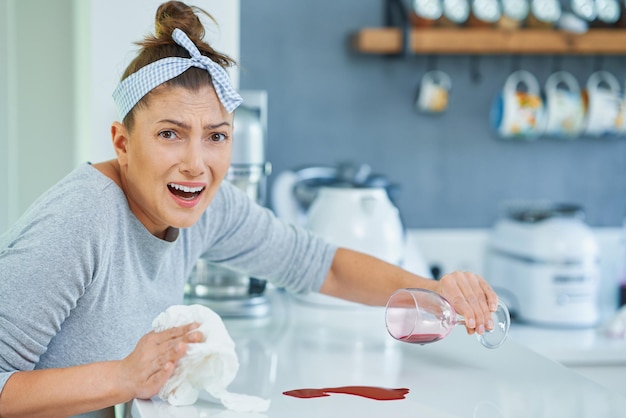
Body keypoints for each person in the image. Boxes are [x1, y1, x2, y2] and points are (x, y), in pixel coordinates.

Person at [0, 1, 498, 417]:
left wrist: (433, 292)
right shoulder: (83, 217)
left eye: (216, 136)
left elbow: (320, 265)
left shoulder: (203, 205)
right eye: (169, 134)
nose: (196, 164)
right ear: (123, 143)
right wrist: (124, 377)